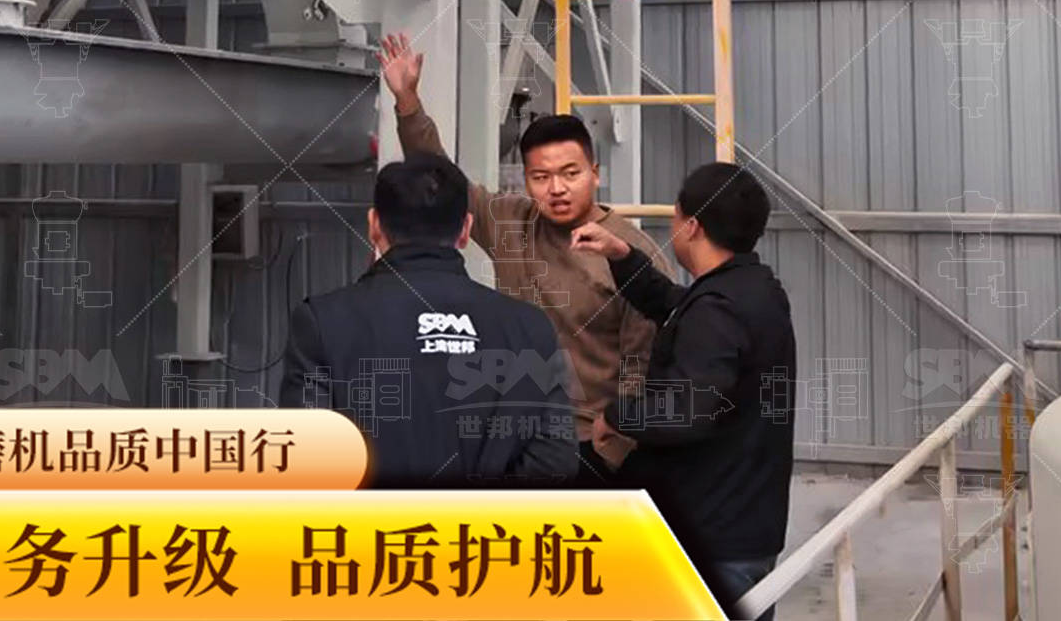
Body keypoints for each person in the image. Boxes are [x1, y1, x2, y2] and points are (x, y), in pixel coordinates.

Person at [381, 30, 670, 481]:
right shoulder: (510, 221)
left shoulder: (631, 253)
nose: (556, 188)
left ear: (595, 173)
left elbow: (645, 364)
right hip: (509, 439)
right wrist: (408, 103)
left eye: (570, 173)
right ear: (527, 178)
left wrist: (613, 445)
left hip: (587, 445)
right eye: (541, 176)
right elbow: (444, 179)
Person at [572, 162, 796, 620]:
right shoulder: (752, 290)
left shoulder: (717, 311)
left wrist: (616, 416)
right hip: (747, 523)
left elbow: (685, 411)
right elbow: (675, 307)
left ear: (691, 226)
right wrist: (621, 254)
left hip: (712, 538)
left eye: (676, 217)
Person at [279, 152, 579, 487]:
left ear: (374, 225)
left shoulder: (323, 321)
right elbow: (555, 459)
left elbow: (307, 461)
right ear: (465, 229)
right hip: (487, 521)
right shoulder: (529, 327)